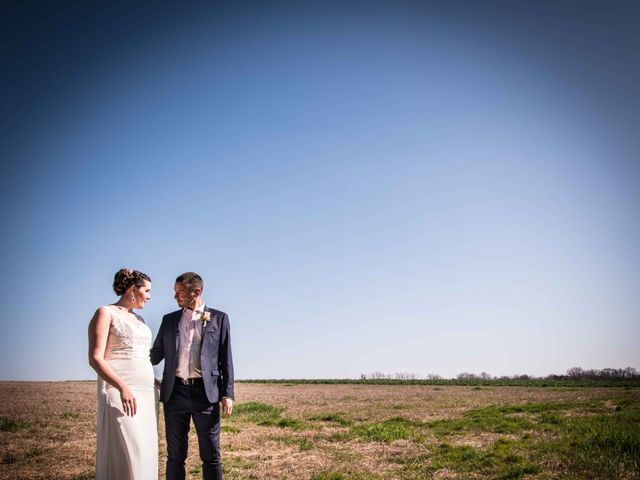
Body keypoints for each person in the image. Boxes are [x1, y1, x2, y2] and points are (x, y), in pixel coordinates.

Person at [151, 272, 234, 480]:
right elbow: (156, 354)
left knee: (211, 455)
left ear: (196, 292)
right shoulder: (169, 320)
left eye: (179, 292)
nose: (175, 296)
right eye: (175, 292)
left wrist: (228, 394)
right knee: (175, 456)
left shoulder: (219, 318)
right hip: (174, 393)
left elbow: (226, 359)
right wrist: (132, 363)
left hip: (206, 395)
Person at [88, 268, 158, 480]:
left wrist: (156, 382)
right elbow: (96, 358)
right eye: (147, 290)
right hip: (119, 391)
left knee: (143, 451)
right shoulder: (105, 313)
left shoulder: (141, 320)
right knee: (126, 447)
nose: (150, 296)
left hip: (146, 394)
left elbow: (141, 358)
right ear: (132, 290)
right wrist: (122, 387)